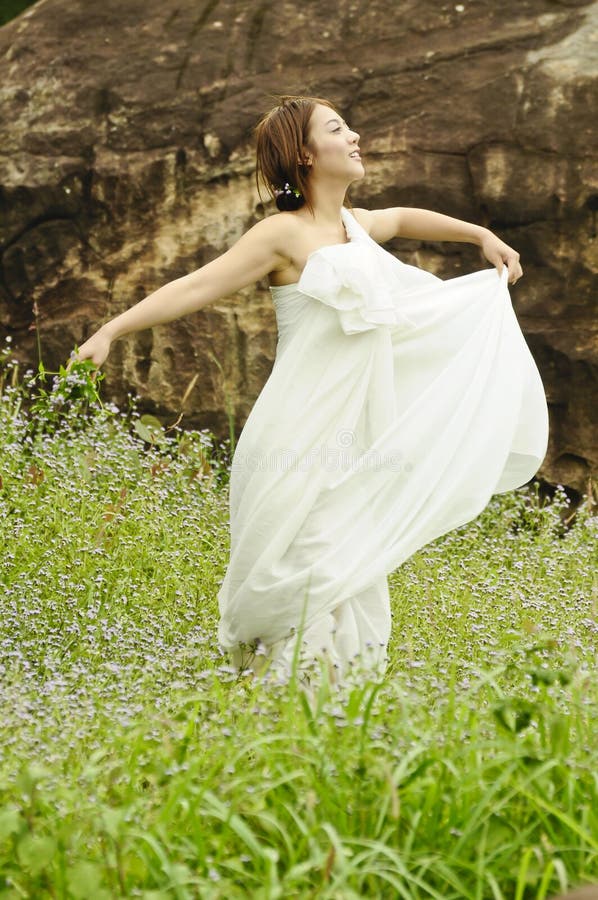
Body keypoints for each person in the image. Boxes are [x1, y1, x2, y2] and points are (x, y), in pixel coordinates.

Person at [73, 94, 549, 685]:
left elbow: (401, 217)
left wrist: (480, 235)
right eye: (337, 128)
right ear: (304, 153)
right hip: (298, 434)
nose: (354, 137)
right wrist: (112, 330)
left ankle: (335, 732)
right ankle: (278, 724)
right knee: (303, 573)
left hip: (356, 439)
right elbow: (195, 287)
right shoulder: (282, 235)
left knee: (348, 573)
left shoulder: (357, 226)